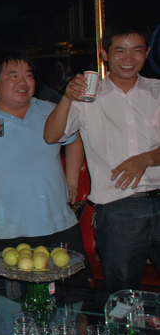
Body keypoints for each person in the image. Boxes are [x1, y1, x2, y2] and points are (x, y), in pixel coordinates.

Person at [0, 51, 90, 274]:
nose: (23, 82)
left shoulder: (50, 110)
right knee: (15, 295)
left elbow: (74, 140)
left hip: (60, 224)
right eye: (13, 76)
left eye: (28, 75)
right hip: (11, 230)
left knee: (75, 291)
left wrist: (71, 182)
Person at [44, 24, 160, 291]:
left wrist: (146, 159)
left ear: (147, 53)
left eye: (136, 50)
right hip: (119, 209)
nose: (128, 58)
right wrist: (67, 97)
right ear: (105, 54)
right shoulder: (87, 96)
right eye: (120, 51)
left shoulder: (157, 91)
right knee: (121, 293)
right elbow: (51, 136)